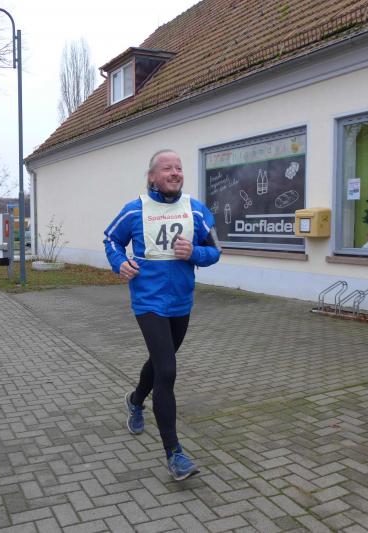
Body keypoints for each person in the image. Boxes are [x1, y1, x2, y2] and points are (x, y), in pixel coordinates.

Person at [103, 149, 221, 481]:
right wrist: (120, 263)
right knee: (167, 370)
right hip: (148, 301)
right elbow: (111, 239)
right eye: (167, 168)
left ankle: (135, 399)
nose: (175, 172)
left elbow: (216, 250)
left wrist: (194, 252)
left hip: (181, 302)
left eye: (179, 168)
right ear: (152, 177)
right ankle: (175, 455)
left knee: (159, 363)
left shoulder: (196, 210)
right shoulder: (134, 210)